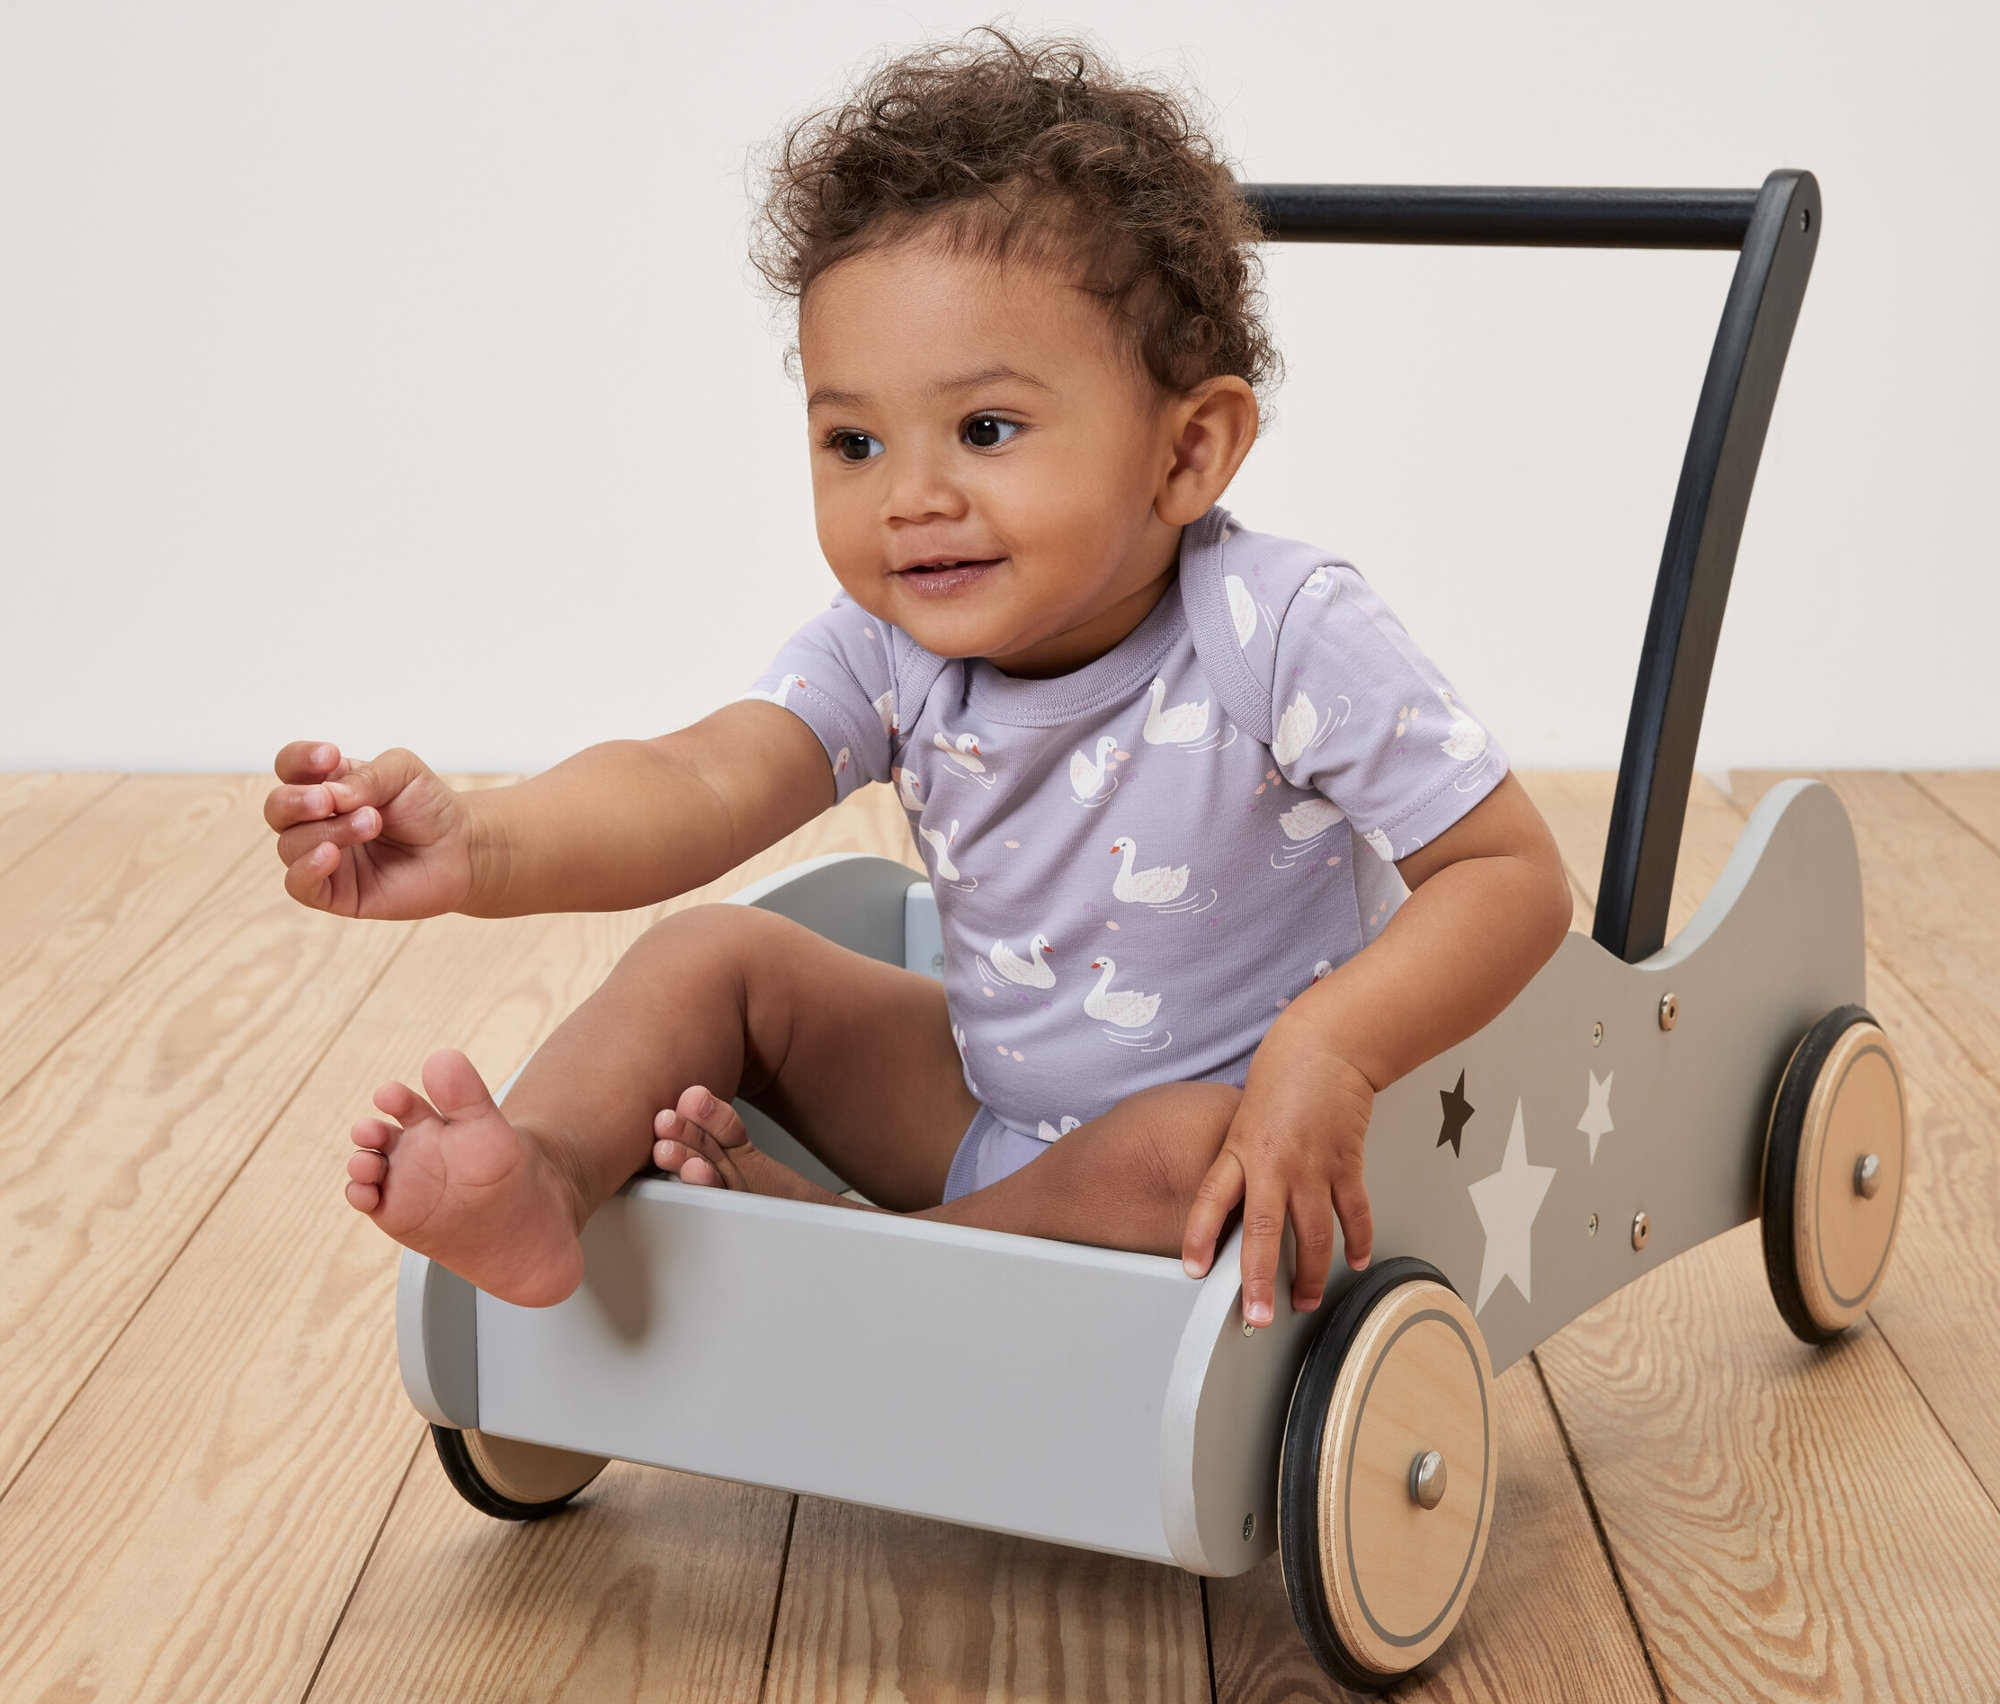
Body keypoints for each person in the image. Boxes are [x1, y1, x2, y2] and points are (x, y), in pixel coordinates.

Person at [265, 33, 1572, 1330]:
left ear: (1189, 453)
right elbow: (697, 777)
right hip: (986, 1114)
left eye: (986, 430)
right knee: (716, 954)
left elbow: (1507, 876)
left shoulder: (1278, 629)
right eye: (855, 440)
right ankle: (544, 1177)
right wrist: (482, 843)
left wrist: (1328, 1053)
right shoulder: (893, 650)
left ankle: (876, 1256)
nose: (913, 497)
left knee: (1181, 1144)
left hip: (1235, 1159)